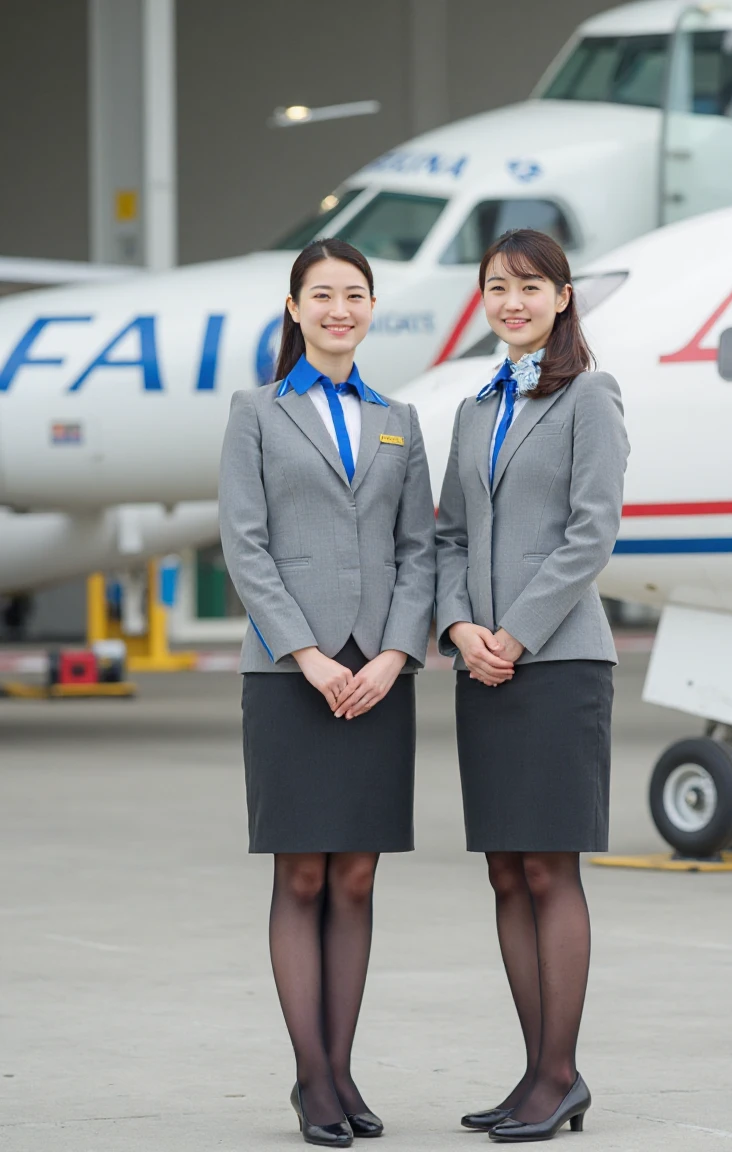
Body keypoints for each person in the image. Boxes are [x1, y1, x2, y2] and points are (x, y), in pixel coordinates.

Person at [219, 238, 435, 1148]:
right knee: (301, 870)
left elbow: (421, 552)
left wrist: (393, 657)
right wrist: (307, 654)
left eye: (354, 295)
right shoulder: (257, 413)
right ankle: (312, 1082)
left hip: (378, 679)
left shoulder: (398, 418)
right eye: (323, 295)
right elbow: (244, 542)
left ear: (370, 309)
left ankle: (343, 1072)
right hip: (289, 673)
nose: (339, 309)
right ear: (296, 308)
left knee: (357, 876)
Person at [435, 228, 629, 1143]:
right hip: (486, 665)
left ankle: (559, 1076)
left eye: (529, 287)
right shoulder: (478, 407)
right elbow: (446, 539)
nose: (511, 302)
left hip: (558, 662)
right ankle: (536, 1075)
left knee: (551, 868)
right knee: (506, 873)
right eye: (496, 288)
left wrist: (513, 631)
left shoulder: (592, 396)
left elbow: (592, 533)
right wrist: (461, 629)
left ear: (562, 297)